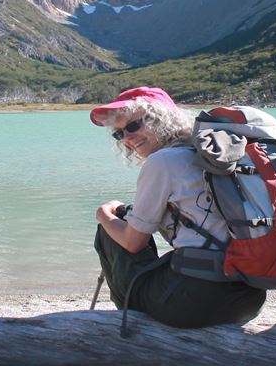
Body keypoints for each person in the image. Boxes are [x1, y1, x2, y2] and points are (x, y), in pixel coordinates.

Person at [90, 86, 266, 328]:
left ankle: (132, 318)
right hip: (249, 297)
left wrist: (103, 214)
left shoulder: (161, 162)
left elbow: (133, 243)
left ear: (162, 118)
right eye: (119, 134)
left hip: (193, 302)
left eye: (133, 126)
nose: (127, 138)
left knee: (112, 226)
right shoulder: (209, 153)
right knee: (128, 219)